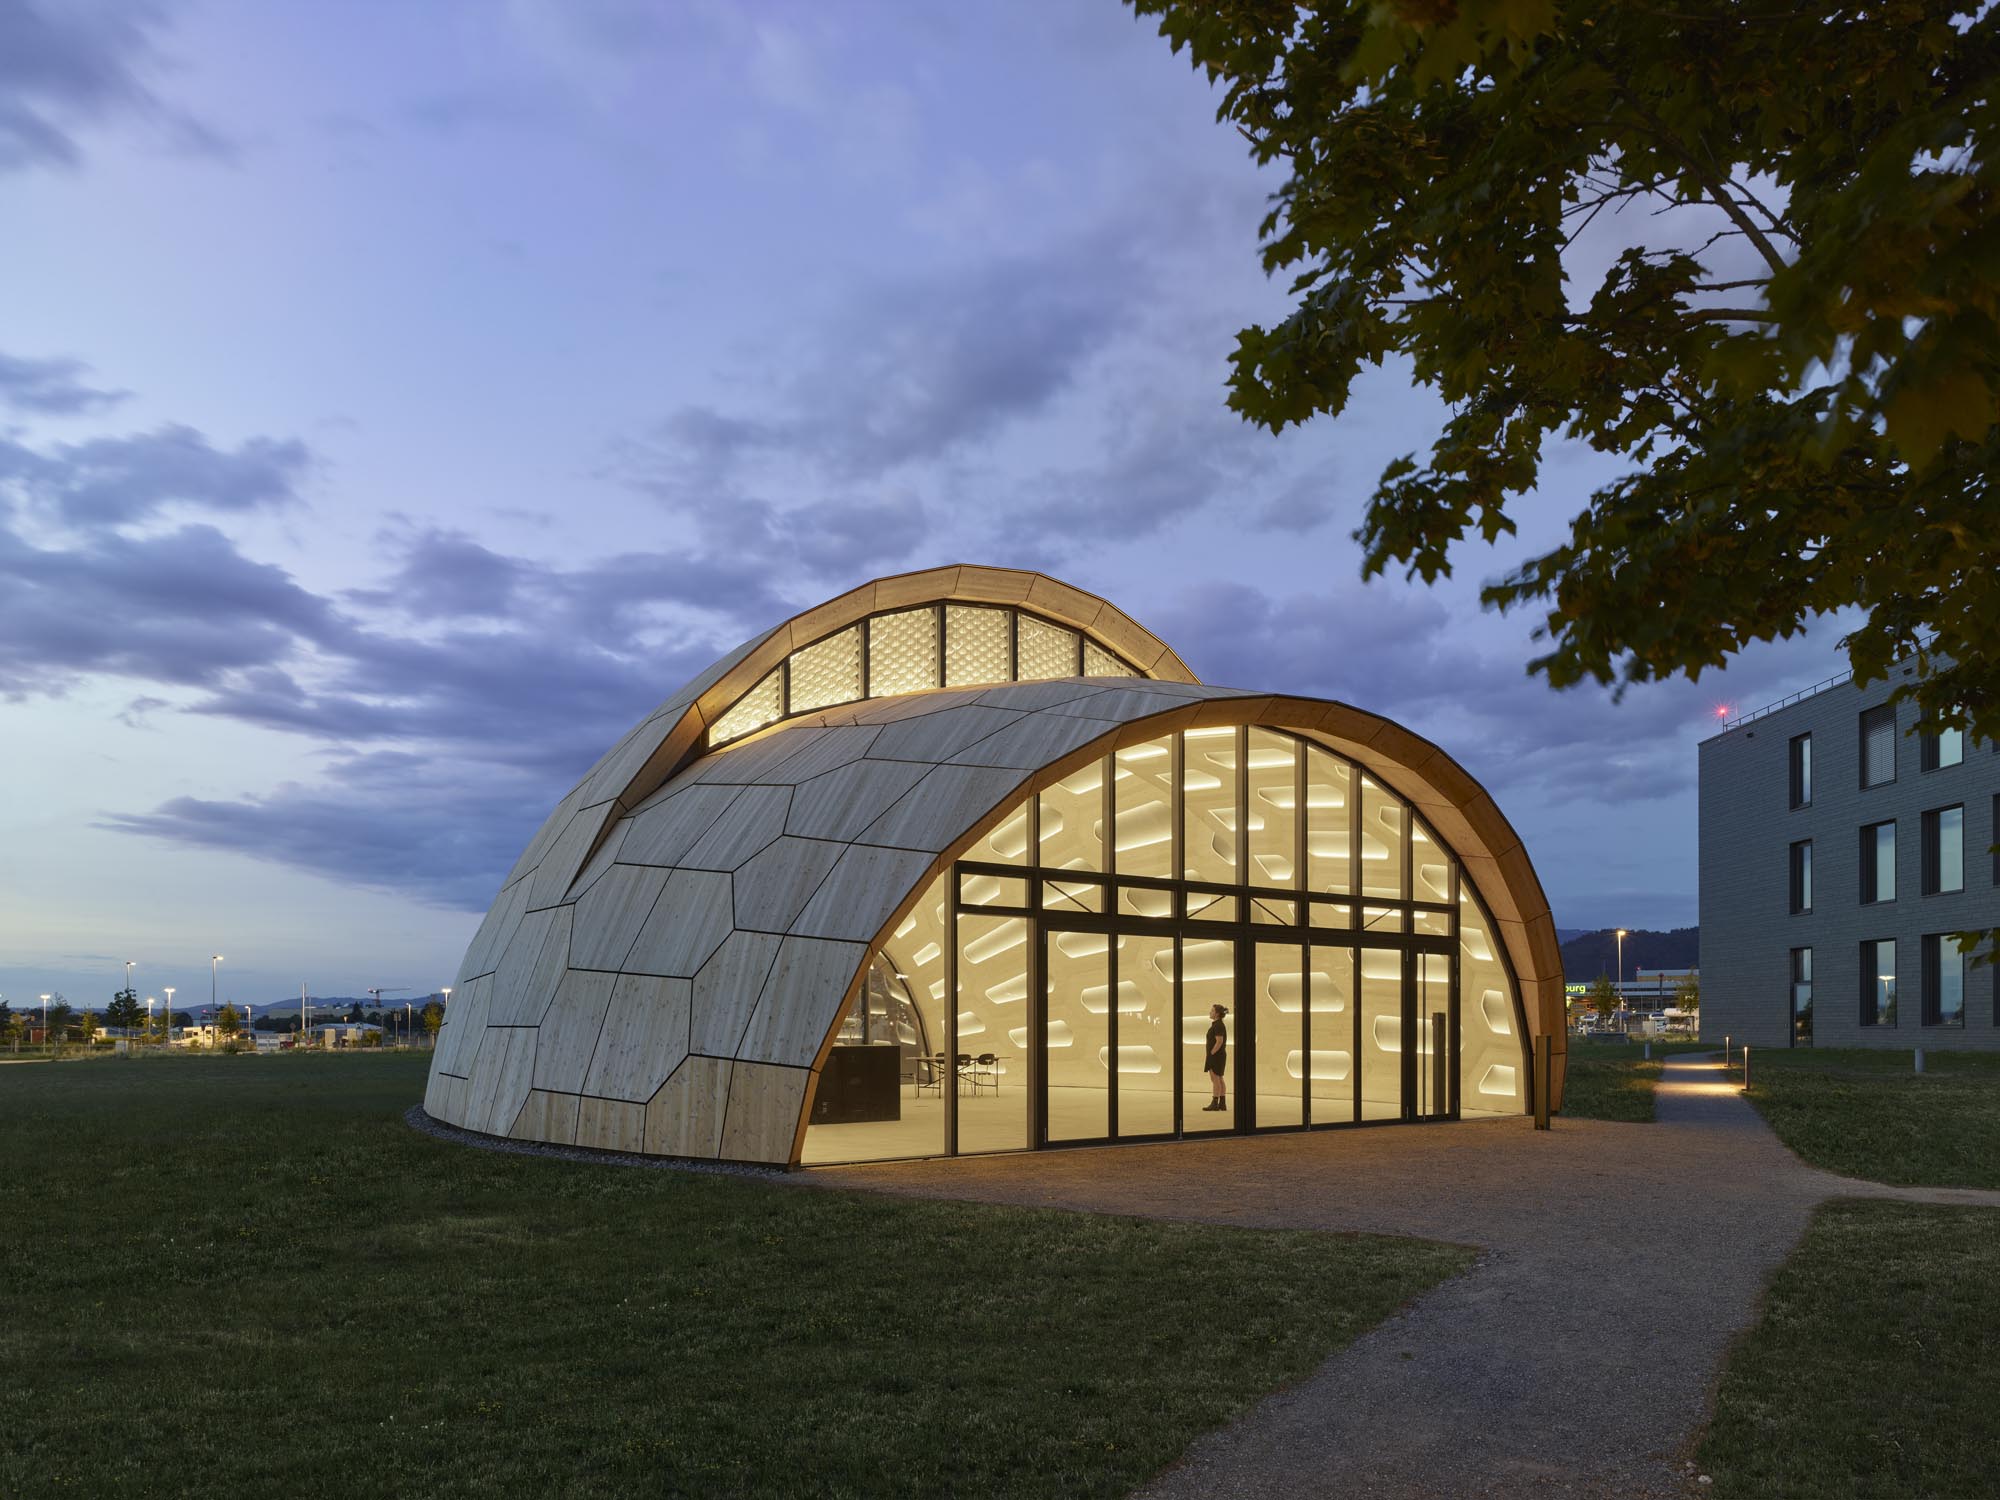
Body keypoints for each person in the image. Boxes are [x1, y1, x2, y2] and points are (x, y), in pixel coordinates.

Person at [1203, 1004, 1228, 1112]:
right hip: (1219, 1055)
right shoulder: (1218, 1025)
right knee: (1219, 1078)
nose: (1210, 1012)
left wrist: (1211, 1053)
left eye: (1212, 1011)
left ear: (1217, 1014)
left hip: (1216, 1056)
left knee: (1215, 1079)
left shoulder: (1218, 1025)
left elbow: (1219, 1041)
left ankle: (1215, 1103)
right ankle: (1222, 1103)